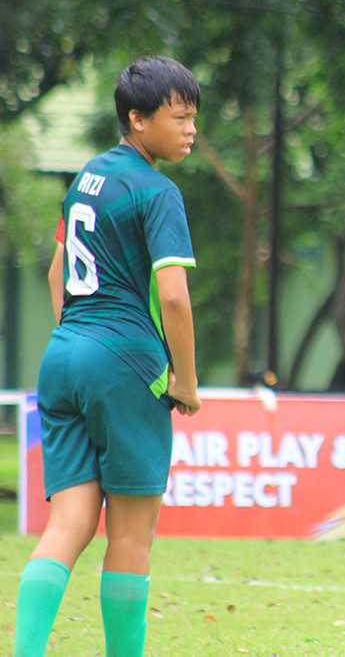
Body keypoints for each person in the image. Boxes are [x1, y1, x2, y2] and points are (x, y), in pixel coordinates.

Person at [14, 55, 203, 657]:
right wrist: (187, 379)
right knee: (131, 536)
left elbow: (55, 271)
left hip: (63, 354)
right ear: (137, 119)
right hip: (124, 364)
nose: (191, 128)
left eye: (194, 117)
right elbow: (172, 296)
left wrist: (78, 337)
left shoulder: (87, 178)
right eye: (179, 117)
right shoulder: (158, 191)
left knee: (67, 526)